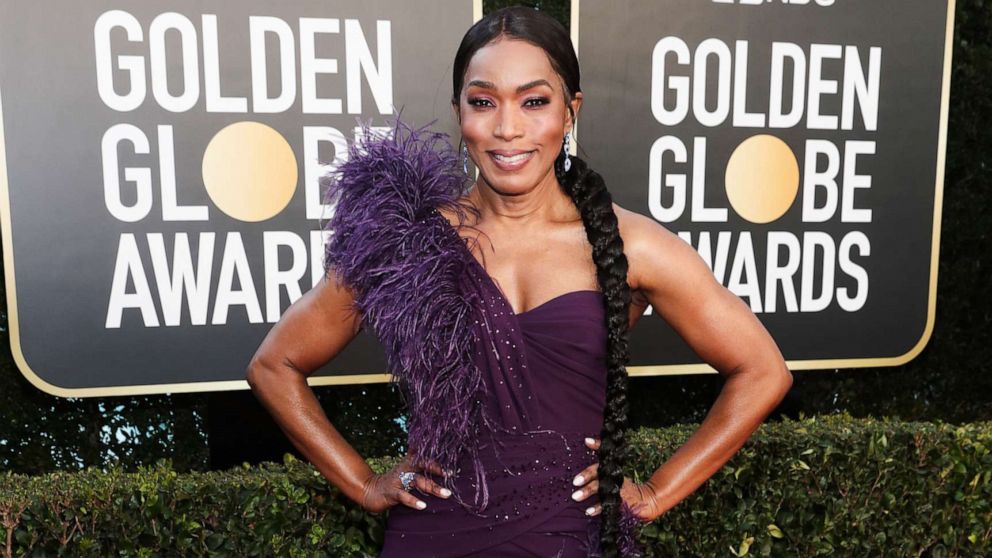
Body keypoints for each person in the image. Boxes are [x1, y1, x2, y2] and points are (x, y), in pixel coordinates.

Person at [246, 6, 793, 557]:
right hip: (431, 537)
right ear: (458, 110)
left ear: (570, 110)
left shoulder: (634, 245)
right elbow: (275, 365)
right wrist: (365, 485)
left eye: (535, 101)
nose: (508, 128)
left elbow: (761, 371)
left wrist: (652, 494)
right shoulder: (407, 238)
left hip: (566, 539)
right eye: (484, 102)